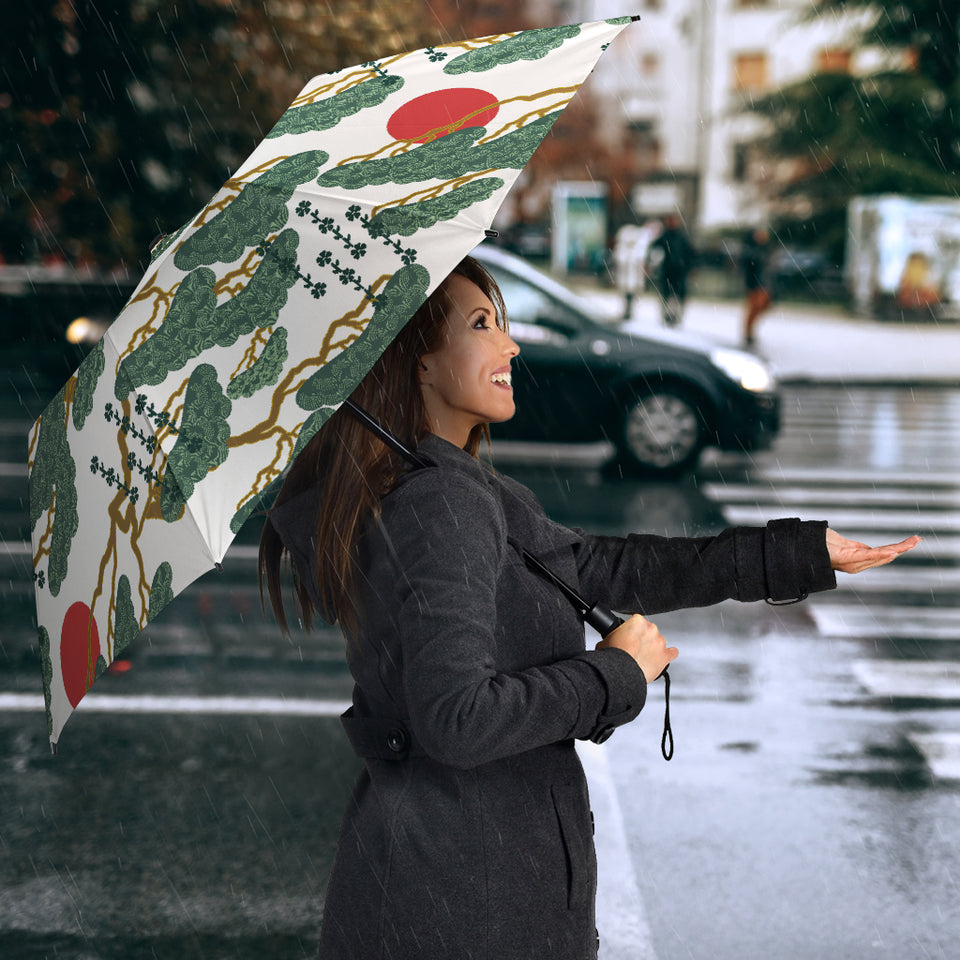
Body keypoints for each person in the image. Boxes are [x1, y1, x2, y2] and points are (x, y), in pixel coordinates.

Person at [259, 256, 919, 960]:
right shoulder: (439, 504)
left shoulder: (452, 488)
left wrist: (796, 554)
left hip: (453, 884)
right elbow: (457, 720)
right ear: (417, 363)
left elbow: (603, 567)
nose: (510, 345)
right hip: (466, 903)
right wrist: (613, 673)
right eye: (482, 325)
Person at [648, 213, 695, 327]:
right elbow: (654, 249)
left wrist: (690, 267)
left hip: (679, 271)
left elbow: (690, 253)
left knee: (677, 295)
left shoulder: (681, 237)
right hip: (668, 270)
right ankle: (667, 315)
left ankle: (675, 316)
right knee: (667, 294)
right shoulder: (665, 236)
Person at [741, 226, 773, 347]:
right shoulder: (751, 250)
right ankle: (748, 333)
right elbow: (750, 265)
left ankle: (750, 331)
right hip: (755, 284)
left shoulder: (763, 249)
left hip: (763, 283)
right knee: (754, 308)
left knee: (762, 306)